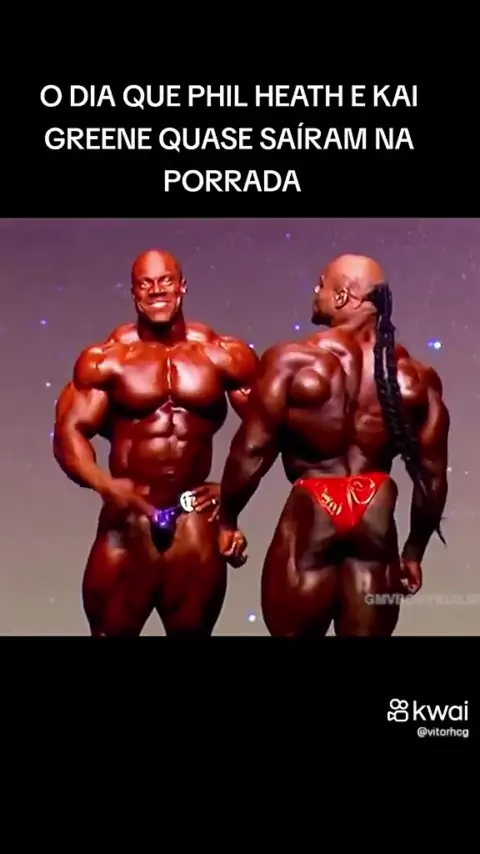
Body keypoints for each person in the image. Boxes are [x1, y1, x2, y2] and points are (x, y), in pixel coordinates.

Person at [218, 254, 450, 637]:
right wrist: (413, 553)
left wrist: (228, 519)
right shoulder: (417, 378)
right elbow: (432, 479)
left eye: (321, 284)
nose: (315, 292)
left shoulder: (291, 360)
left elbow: (253, 450)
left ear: (342, 296)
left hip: (314, 505)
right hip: (375, 510)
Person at [53, 249, 258, 636]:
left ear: (182, 287)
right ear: (133, 293)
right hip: (129, 520)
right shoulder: (106, 359)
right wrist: (105, 485)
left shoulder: (222, 355)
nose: (156, 290)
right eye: (145, 284)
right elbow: (68, 433)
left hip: (192, 521)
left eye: (165, 281)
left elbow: (268, 426)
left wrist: (230, 493)